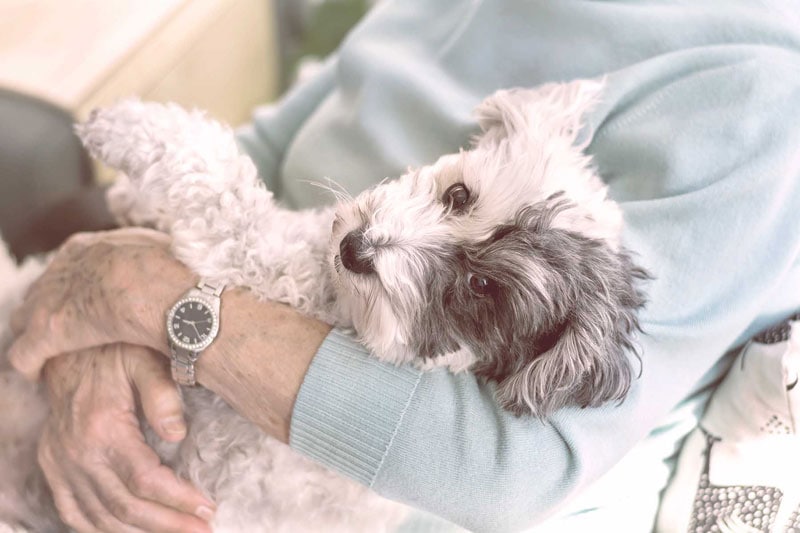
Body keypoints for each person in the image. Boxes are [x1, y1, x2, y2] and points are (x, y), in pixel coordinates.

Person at [8, 1, 800, 532]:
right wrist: (103, 319)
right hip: (194, 284)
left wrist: (152, 302)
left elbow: (505, 465)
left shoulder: (764, 105)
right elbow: (272, 148)